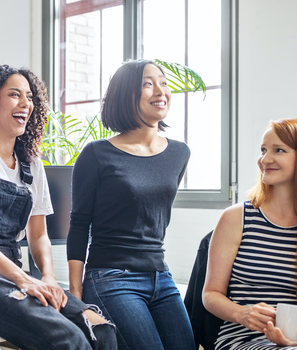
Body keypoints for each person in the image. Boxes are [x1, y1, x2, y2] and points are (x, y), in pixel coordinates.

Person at [0, 64, 116, 350]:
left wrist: (47, 276)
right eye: (14, 95)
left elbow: (38, 235)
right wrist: (23, 279)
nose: (26, 103)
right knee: (67, 337)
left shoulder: (31, 163)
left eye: (30, 97)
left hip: (12, 274)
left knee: (99, 329)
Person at [66, 59, 195, 350]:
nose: (159, 90)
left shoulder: (179, 153)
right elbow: (78, 224)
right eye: (147, 84)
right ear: (126, 95)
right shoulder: (97, 154)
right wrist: (76, 296)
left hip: (160, 276)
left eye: (163, 82)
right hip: (110, 277)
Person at [203, 118, 297, 350]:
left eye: (279, 150)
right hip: (246, 339)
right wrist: (242, 313)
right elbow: (211, 294)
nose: (265, 159)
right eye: (263, 150)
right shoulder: (236, 218)